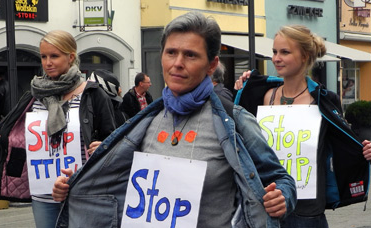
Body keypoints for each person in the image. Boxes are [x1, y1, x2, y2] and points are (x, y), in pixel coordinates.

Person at [52, 12, 296, 228]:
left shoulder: (235, 120)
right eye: (171, 52)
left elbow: (282, 180)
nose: (177, 63)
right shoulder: (145, 120)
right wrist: (75, 184)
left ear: (211, 64)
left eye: (190, 55)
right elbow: (118, 187)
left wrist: (281, 197)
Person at [234, 25, 371, 227]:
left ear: (305, 56)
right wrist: (242, 89)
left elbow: (343, 144)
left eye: (285, 52)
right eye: (274, 52)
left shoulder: (324, 101)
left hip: (307, 212)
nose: (276, 58)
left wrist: (364, 154)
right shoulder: (260, 95)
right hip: (263, 204)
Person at [0, 30, 116, 228]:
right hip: (43, 193)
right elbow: (19, 134)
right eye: (44, 56)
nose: (48, 62)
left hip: (80, 189)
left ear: (70, 57)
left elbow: (113, 139)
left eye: (54, 56)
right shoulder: (34, 94)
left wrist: (103, 146)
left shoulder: (93, 94)